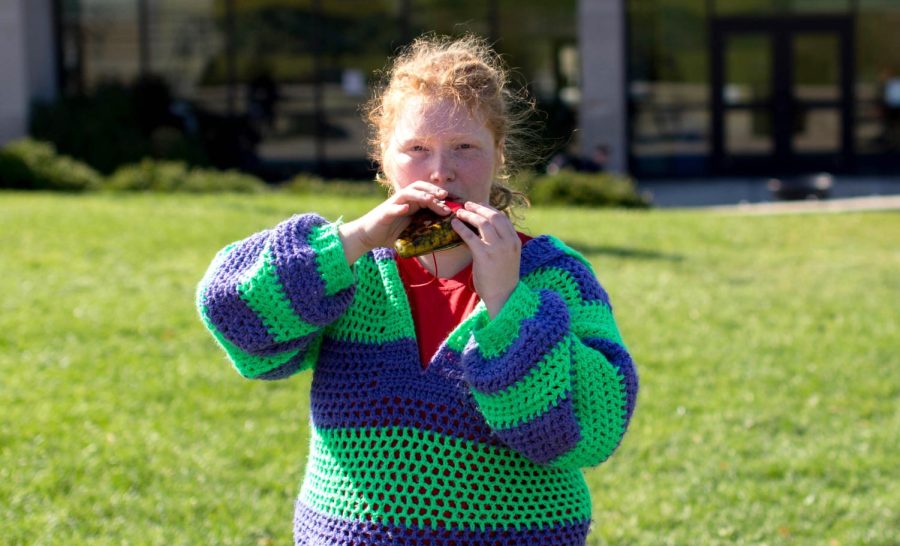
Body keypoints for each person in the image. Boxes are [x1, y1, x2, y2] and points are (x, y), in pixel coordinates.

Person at [196, 34, 638, 546]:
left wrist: (508, 303)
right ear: (383, 158)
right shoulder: (350, 268)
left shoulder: (552, 275)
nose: (440, 172)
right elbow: (235, 319)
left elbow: (594, 430)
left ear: (499, 153)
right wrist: (353, 240)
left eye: (465, 148)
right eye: (417, 149)